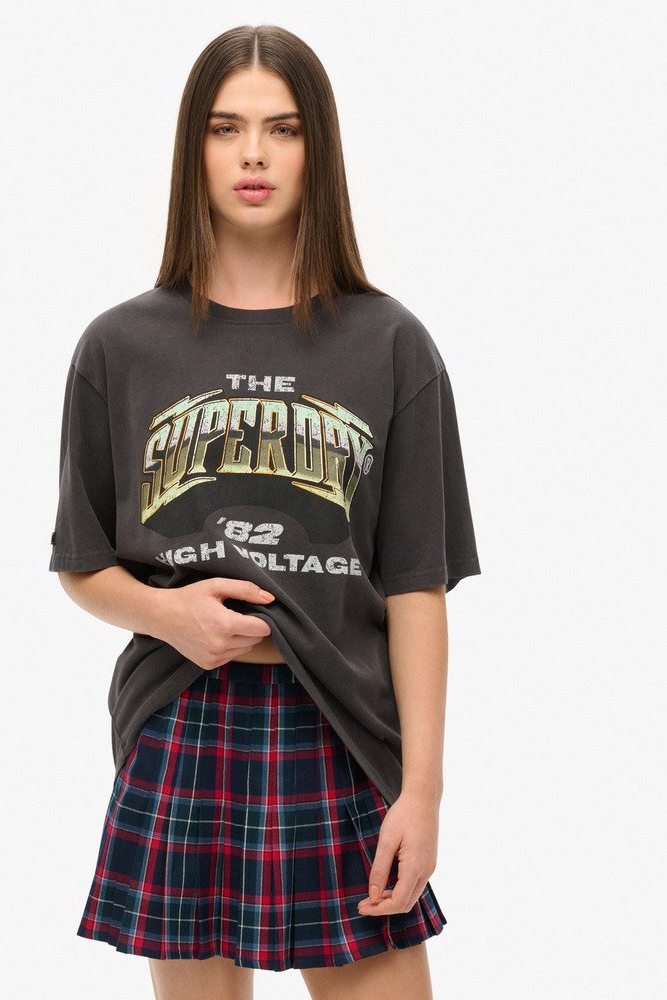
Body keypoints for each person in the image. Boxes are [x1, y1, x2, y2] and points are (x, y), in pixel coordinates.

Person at [48, 23, 481, 1000]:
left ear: (317, 149)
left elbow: (417, 585)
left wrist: (422, 788)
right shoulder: (119, 346)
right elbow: (81, 560)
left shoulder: (391, 344)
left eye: (282, 129)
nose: (253, 154)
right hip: (179, 718)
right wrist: (168, 613)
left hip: (342, 725)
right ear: (192, 150)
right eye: (225, 127)